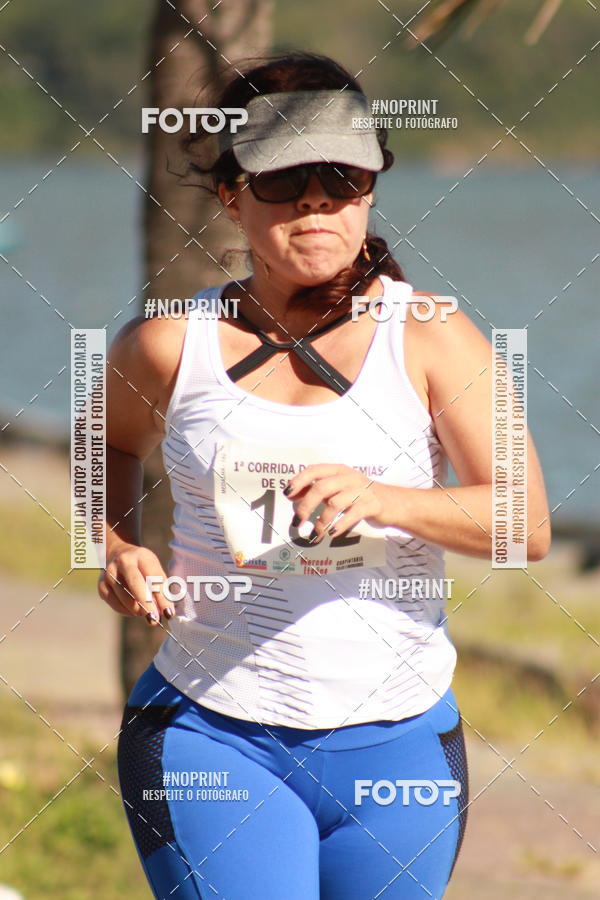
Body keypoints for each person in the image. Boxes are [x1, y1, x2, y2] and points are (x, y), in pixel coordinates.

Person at [101, 51, 551, 899]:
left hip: (401, 749)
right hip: (212, 733)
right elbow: (108, 450)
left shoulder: (432, 336)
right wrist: (118, 545)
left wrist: (384, 500)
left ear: (370, 188)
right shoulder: (166, 344)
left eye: (340, 177)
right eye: (284, 179)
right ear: (233, 195)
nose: (315, 199)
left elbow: (523, 525)